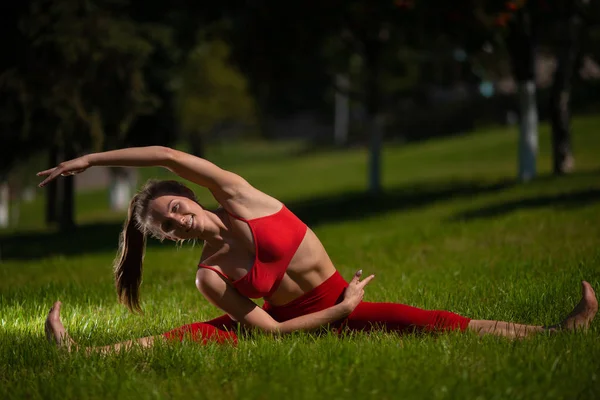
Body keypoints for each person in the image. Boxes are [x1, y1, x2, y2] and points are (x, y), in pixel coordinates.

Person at [39, 146, 598, 354]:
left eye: (176, 208)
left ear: (187, 196)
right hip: (307, 317)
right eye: (167, 227)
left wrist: (90, 162)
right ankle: (78, 354)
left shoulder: (239, 194)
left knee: (428, 321)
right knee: (194, 336)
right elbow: (275, 334)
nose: (179, 221)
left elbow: (164, 152)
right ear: (167, 238)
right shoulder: (208, 276)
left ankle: (556, 334)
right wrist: (344, 310)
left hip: (334, 298)